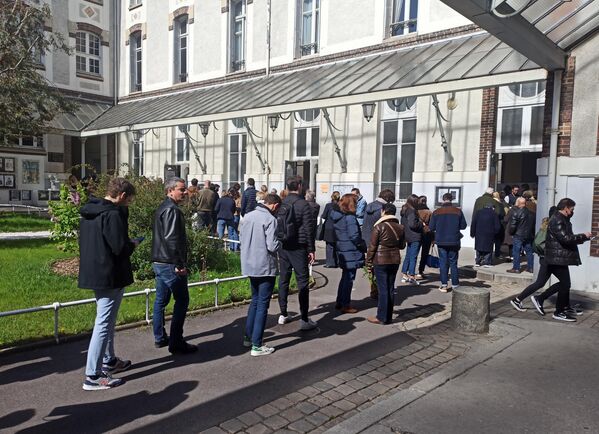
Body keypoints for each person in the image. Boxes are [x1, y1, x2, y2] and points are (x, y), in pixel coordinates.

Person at [79, 177, 138, 390]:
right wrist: (133, 244)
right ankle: (92, 375)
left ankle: (108, 360)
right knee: (103, 323)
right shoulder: (112, 215)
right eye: (129, 200)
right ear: (122, 196)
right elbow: (119, 248)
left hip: (95, 271)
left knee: (107, 320)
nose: (129, 204)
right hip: (110, 274)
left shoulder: (90, 211)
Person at [152, 177, 197, 354]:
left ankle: (160, 337)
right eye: (181, 189)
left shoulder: (163, 208)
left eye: (185, 189)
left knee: (161, 300)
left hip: (160, 260)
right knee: (182, 299)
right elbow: (172, 239)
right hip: (170, 263)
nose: (185, 192)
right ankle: (176, 342)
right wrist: (179, 264)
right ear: (170, 190)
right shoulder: (172, 210)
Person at [528, 198, 593, 322]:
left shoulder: (562, 219)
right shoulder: (557, 219)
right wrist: (583, 236)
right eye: (572, 209)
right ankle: (558, 311)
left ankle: (551, 303)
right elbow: (565, 238)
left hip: (558, 257)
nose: (573, 211)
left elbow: (566, 237)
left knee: (564, 283)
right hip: (556, 258)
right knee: (564, 283)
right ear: (566, 207)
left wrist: (583, 238)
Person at [240, 194, 282, 356]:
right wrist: (281, 242)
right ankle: (257, 345)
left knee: (255, 302)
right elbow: (272, 245)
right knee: (262, 305)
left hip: (250, 263)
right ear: (274, 205)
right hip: (265, 266)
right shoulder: (270, 220)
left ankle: (248, 337)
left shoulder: (248, 216)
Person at [277, 175, 317, 330]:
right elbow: (308, 229)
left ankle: (283, 313)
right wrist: (311, 249)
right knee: (303, 282)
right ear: (299, 186)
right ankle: (305, 319)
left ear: (287, 187)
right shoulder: (303, 204)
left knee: (284, 279)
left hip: (283, 245)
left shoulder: (282, 202)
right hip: (298, 246)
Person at [510, 206, 557, 311]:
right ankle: (535, 299)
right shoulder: (552, 226)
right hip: (548, 259)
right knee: (562, 282)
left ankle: (518, 300)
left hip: (547, 258)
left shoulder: (546, 224)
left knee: (542, 282)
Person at [366, 203, 405, 325]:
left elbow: (372, 247)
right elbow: (402, 246)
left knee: (382, 289)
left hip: (381, 260)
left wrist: (368, 262)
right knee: (390, 287)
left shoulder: (378, 227)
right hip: (395, 260)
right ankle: (388, 316)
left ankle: (381, 317)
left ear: (383, 211)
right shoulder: (400, 227)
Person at [330, 194, 366, 313]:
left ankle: (340, 302)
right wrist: (361, 245)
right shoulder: (349, 217)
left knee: (345, 277)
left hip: (343, 248)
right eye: (355, 202)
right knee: (349, 279)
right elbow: (354, 235)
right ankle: (345, 304)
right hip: (351, 250)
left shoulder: (338, 215)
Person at [429, 192, 467, 292]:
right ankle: (455, 284)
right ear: (452, 200)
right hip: (454, 240)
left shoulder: (436, 212)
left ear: (443, 199)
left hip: (441, 240)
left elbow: (431, 227)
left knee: (443, 262)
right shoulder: (458, 211)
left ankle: (444, 284)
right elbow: (463, 226)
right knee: (453, 263)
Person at [507, 197, 535, 273]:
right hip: (528, 235)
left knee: (516, 251)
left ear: (518, 203)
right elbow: (533, 226)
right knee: (529, 251)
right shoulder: (532, 214)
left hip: (518, 235)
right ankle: (531, 267)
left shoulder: (516, 213)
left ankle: (516, 268)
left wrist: (511, 233)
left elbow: (513, 226)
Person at [400, 194, 423, 285]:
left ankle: (405, 273)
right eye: (417, 201)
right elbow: (413, 224)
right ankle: (412, 276)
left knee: (408, 255)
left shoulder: (404, 210)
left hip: (408, 235)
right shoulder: (412, 211)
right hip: (415, 236)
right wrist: (421, 224)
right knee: (413, 256)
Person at [321, 191, 341, 268]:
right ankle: (338, 262)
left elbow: (324, 216)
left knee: (329, 246)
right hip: (338, 228)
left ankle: (330, 263)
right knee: (337, 246)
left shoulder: (328, 205)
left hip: (329, 227)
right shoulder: (341, 206)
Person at [416, 195, 433, 279]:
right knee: (424, 254)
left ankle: (410, 271)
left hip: (417, 233)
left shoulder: (415, 211)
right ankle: (420, 271)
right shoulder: (429, 212)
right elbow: (432, 225)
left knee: (414, 253)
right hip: (427, 234)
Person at [492, 191, 509, 259]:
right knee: (498, 240)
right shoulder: (500, 204)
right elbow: (503, 214)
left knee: (491, 240)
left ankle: (489, 254)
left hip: (491, 224)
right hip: (499, 223)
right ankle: (497, 253)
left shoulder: (491, 203)